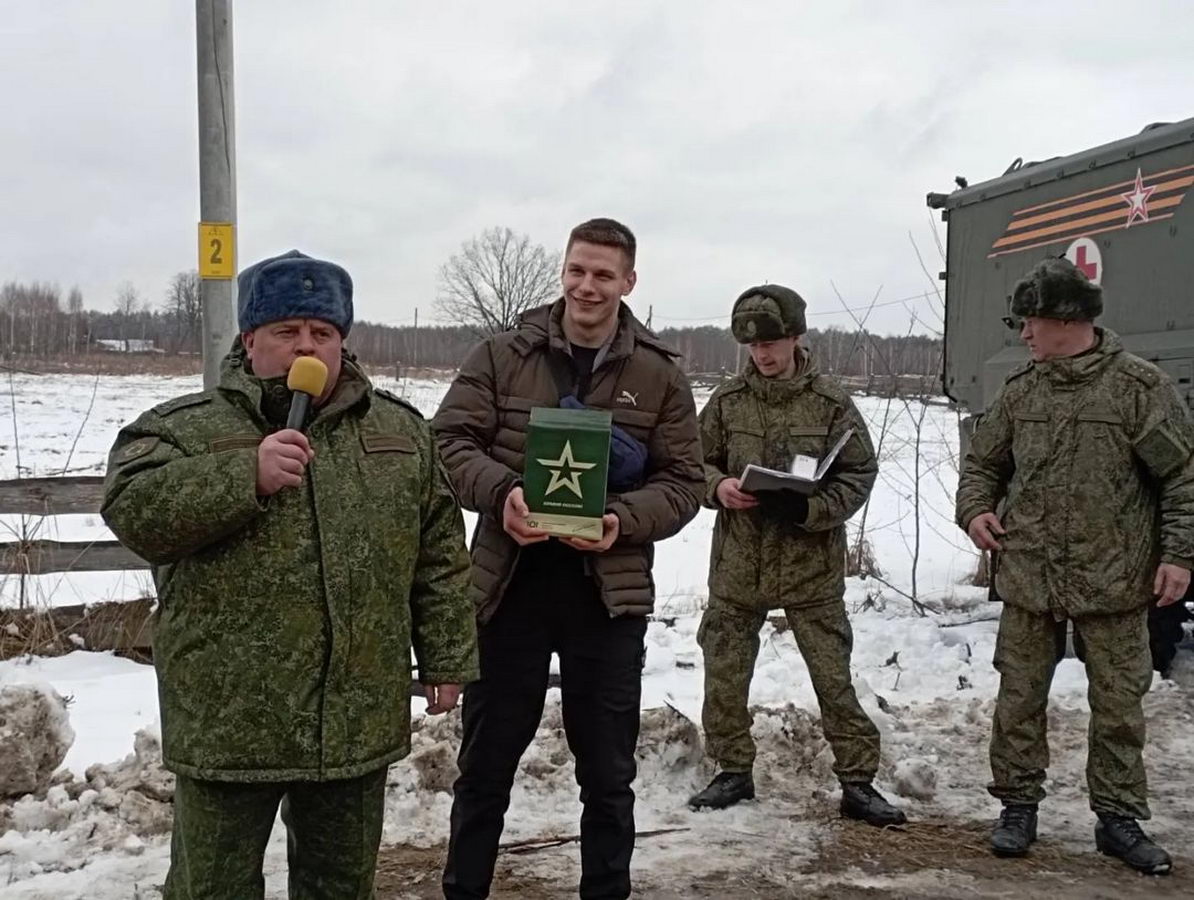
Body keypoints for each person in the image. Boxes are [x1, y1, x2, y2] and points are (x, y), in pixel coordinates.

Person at [102, 250, 479, 898]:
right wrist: (242, 475)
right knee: (210, 888)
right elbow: (133, 510)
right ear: (250, 340)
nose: (307, 344)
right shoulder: (185, 429)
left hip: (353, 715)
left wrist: (445, 656)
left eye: (323, 332)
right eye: (286, 331)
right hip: (229, 722)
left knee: (339, 886)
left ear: (341, 342)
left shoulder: (398, 433)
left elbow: (439, 554)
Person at [433, 218, 704, 899]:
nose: (588, 286)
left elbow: (685, 482)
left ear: (628, 282)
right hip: (509, 590)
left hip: (606, 600)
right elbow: (448, 443)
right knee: (486, 767)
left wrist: (621, 521)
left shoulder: (659, 374)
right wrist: (502, 497)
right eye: (578, 270)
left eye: (604, 274)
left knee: (609, 776)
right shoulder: (502, 354)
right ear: (564, 271)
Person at [956, 257, 1194, 874]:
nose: (1023, 334)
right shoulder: (1021, 391)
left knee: (1119, 706)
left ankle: (1118, 819)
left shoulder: (1138, 390)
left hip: (1115, 579)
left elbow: (1182, 479)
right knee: (1018, 701)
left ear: (1067, 321)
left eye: (1029, 322)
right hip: (1030, 578)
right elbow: (983, 466)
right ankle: (1016, 807)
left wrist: (1179, 555)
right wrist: (976, 510)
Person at [688, 284, 906, 827]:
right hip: (739, 565)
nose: (762, 355)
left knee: (834, 680)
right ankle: (732, 770)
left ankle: (858, 781)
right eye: (752, 346)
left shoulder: (831, 403)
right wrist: (718, 489)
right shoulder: (727, 402)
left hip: (811, 569)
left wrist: (815, 511)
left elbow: (859, 472)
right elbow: (694, 463)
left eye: (773, 342)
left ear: (796, 338)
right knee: (724, 673)